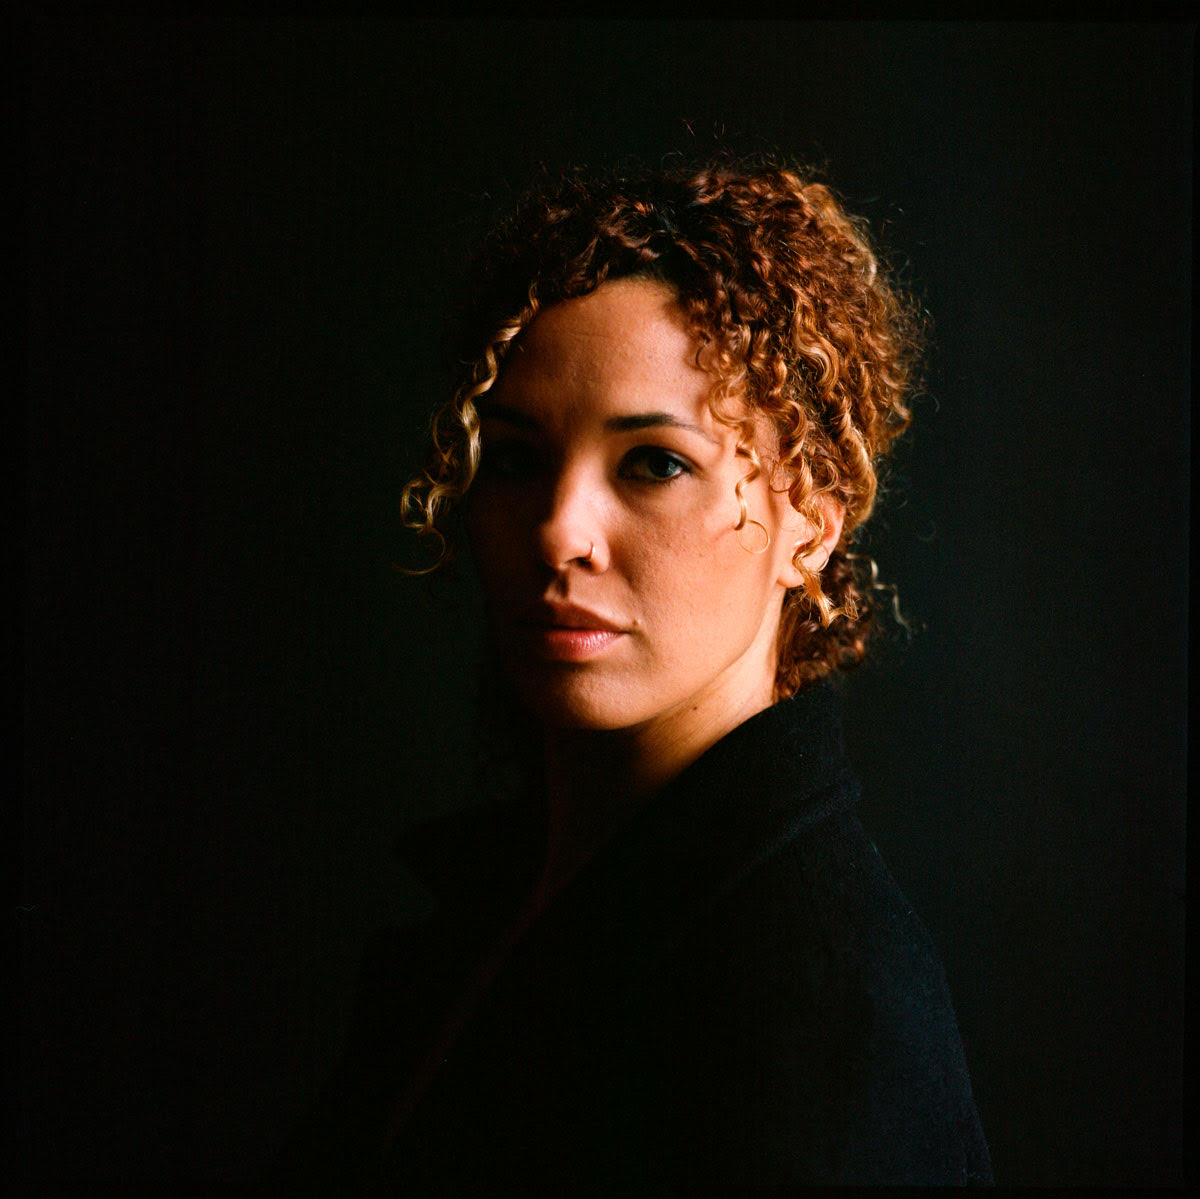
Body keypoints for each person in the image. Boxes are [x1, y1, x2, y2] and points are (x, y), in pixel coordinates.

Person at [280, 159, 993, 1190]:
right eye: (515, 458)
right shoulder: (494, 902)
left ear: (811, 519)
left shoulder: (819, 1002)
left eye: (654, 462)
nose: (558, 530)